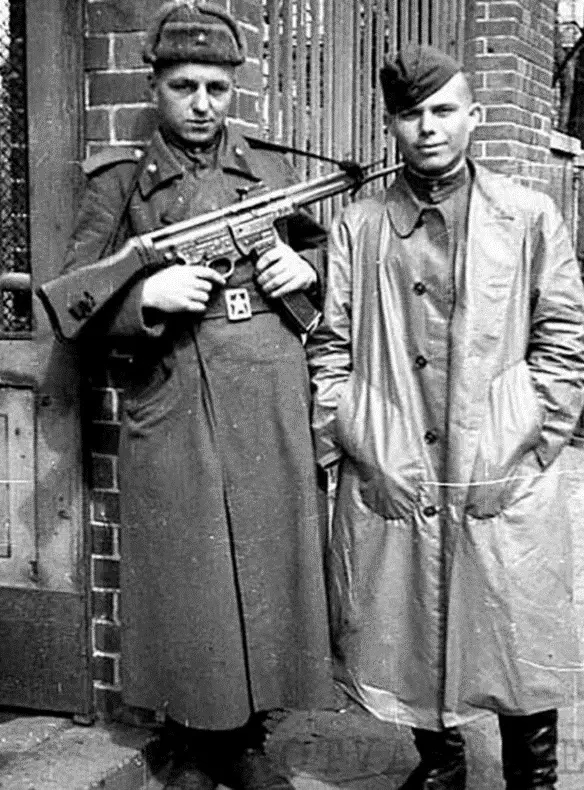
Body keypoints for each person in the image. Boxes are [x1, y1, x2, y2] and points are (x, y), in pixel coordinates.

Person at [61, 2, 334, 788]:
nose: (203, 104)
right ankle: (190, 738)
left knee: (268, 561)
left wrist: (306, 271)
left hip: (267, 387)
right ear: (155, 86)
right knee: (191, 576)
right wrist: (146, 297)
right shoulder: (120, 181)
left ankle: (249, 739)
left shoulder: (272, 170)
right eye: (185, 86)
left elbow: (326, 262)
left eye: (217, 87)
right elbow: (73, 298)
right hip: (175, 391)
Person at [307, 44, 584, 790]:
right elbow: (330, 347)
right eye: (410, 114)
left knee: (515, 625)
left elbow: (566, 345)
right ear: (391, 126)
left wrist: (523, 442)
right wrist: (363, 439)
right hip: (396, 458)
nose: (428, 127)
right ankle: (441, 764)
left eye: (442, 110)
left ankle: (534, 775)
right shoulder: (359, 226)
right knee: (406, 621)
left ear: (474, 116)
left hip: (497, 463)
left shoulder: (528, 216)